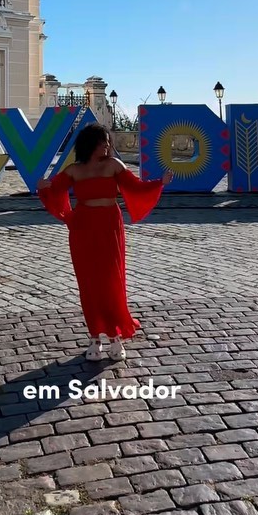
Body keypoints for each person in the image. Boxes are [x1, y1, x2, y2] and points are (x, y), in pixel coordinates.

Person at [37, 123, 173, 360]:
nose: (108, 146)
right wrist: (43, 188)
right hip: (82, 228)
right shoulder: (73, 170)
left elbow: (136, 187)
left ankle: (115, 337)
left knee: (111, 280)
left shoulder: (113, 165)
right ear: (90, 144)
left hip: (110, 226)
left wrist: (159, 182)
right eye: (103, 143)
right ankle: (94, 339)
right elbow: (53, 190)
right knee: (89, 284)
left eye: (108, 142)